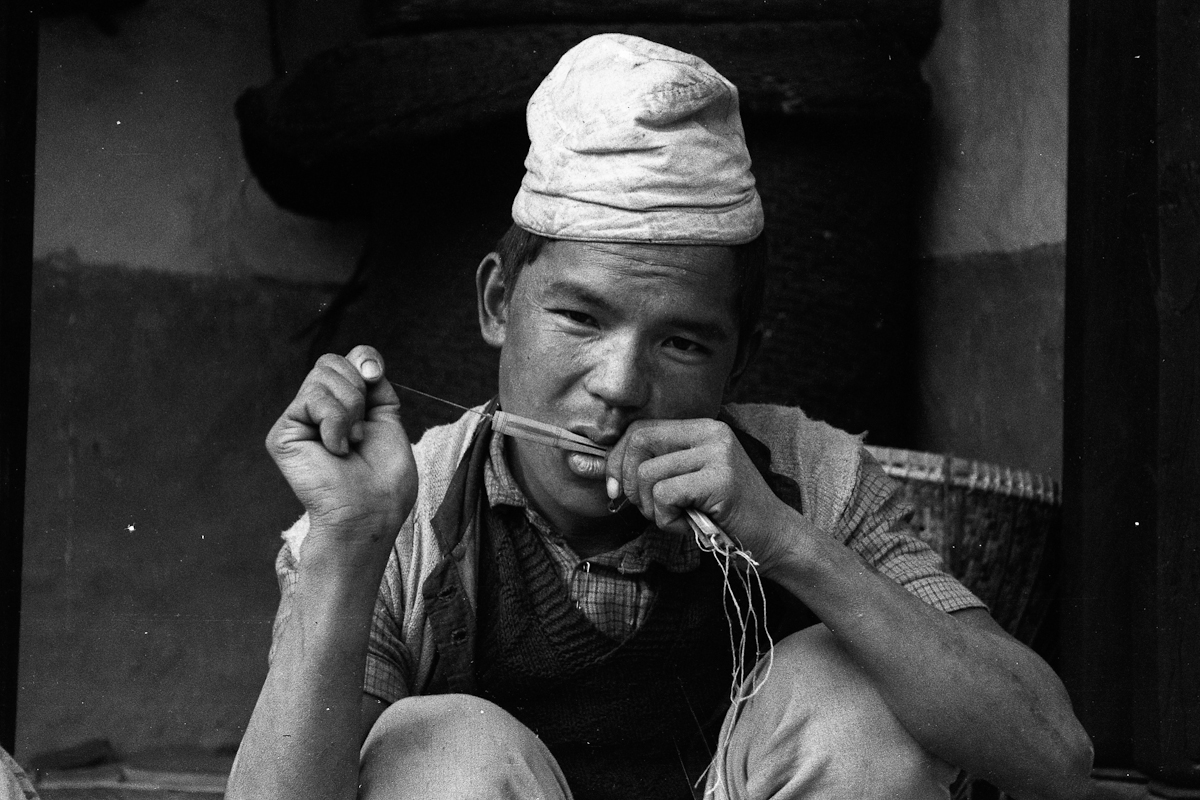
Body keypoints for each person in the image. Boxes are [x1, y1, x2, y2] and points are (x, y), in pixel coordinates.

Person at [227, 33, 1093, 800]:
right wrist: (346, 542)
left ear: (737, 358)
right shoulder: (399, 513)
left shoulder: (807, 477)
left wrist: (786, 540)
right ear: (498, 304)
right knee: (441, 748)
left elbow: (1055, 757)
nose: (620, 385)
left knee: (856, 698)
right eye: (580, 319)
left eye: (680, 343)